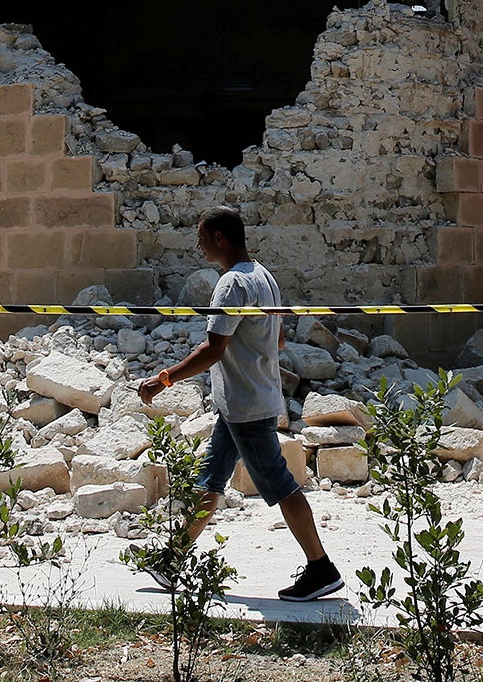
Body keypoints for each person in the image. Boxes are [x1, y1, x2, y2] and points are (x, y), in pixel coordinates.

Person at [134, 205, 343, 602]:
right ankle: (173, 559)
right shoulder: (264, 277)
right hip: (242, 401)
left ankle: (321, 568)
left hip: (246, 405)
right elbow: (277, 340)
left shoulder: (231, 284)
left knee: (281, 485)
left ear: (219, 238)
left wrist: (163, 380)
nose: (197, 245)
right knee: (210, 478)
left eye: (201, 237)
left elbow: (213, 349)